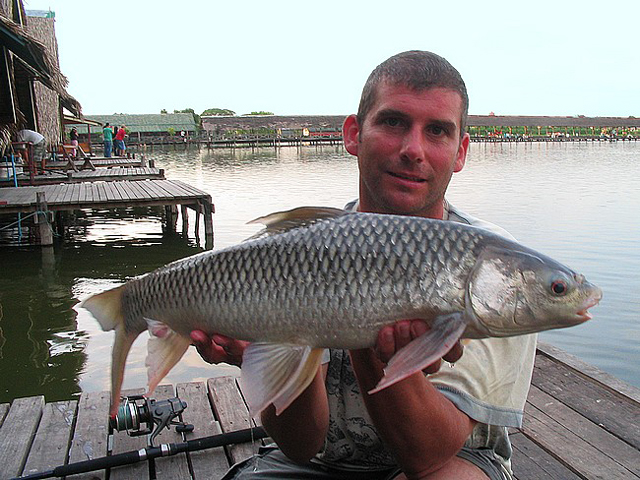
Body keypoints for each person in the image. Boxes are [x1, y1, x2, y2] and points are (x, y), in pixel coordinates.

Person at [191, 51, 537, 480]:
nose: (414, 150)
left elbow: (427, 455)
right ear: (354, 134)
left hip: (451, 461)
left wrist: (365, 326)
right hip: (317, 463)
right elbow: (302, 444)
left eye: (437, 131)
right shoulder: (293, 252)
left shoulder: (498, 269)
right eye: (393, 122)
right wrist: (257, 353)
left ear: (461, 151)